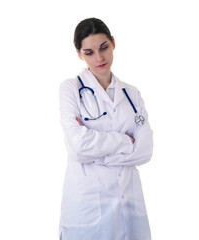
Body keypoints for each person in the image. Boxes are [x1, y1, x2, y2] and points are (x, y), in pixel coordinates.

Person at [58, 17, 153, 240]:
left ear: (113, 43)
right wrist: (124, 141)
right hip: (88, 206)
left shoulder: (132, 95)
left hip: (129, 205)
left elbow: (146, 150)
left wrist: (98, 154)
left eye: (104, 48)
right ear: (79, 54)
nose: (99, 58)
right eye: (89, 52)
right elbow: (78, 147)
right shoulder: (71, 89)